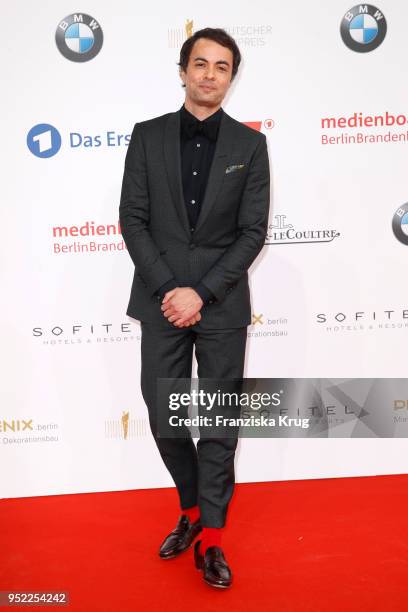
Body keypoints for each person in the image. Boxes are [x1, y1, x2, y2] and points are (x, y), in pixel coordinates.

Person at [119, 27, 270, 589]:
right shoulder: (146, 136)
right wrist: (169, 290)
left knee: (219, 425)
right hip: (161, 300)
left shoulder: (251, 147)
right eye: (200, 63)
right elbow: (132, 218)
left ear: (232, 77)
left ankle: (212, 540)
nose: (210, 74)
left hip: (222, 303)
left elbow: (252, 233)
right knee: (164, 415)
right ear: (183, 71)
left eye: (222, 66)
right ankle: (190, 507)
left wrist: (201, 292)